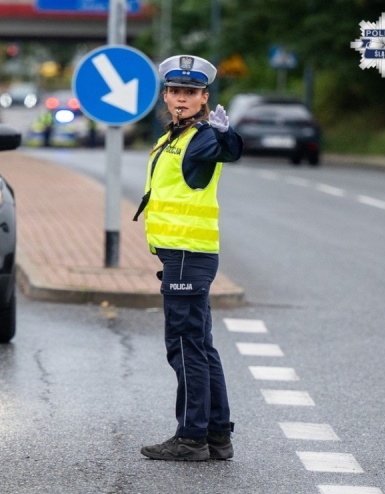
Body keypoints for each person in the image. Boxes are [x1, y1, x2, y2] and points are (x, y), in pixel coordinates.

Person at [133, 54, 243, 461]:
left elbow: (226, 151)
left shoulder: (201, 137)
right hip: (183, 255)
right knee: (200, 345)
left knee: (184, 347)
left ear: (204, 98)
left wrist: (227, 136)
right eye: (175, 91)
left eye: (190, 93)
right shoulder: (172, 137)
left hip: (187, 255)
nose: (181, 98)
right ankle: (217, 435)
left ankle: (191, 437)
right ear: (165, 95)